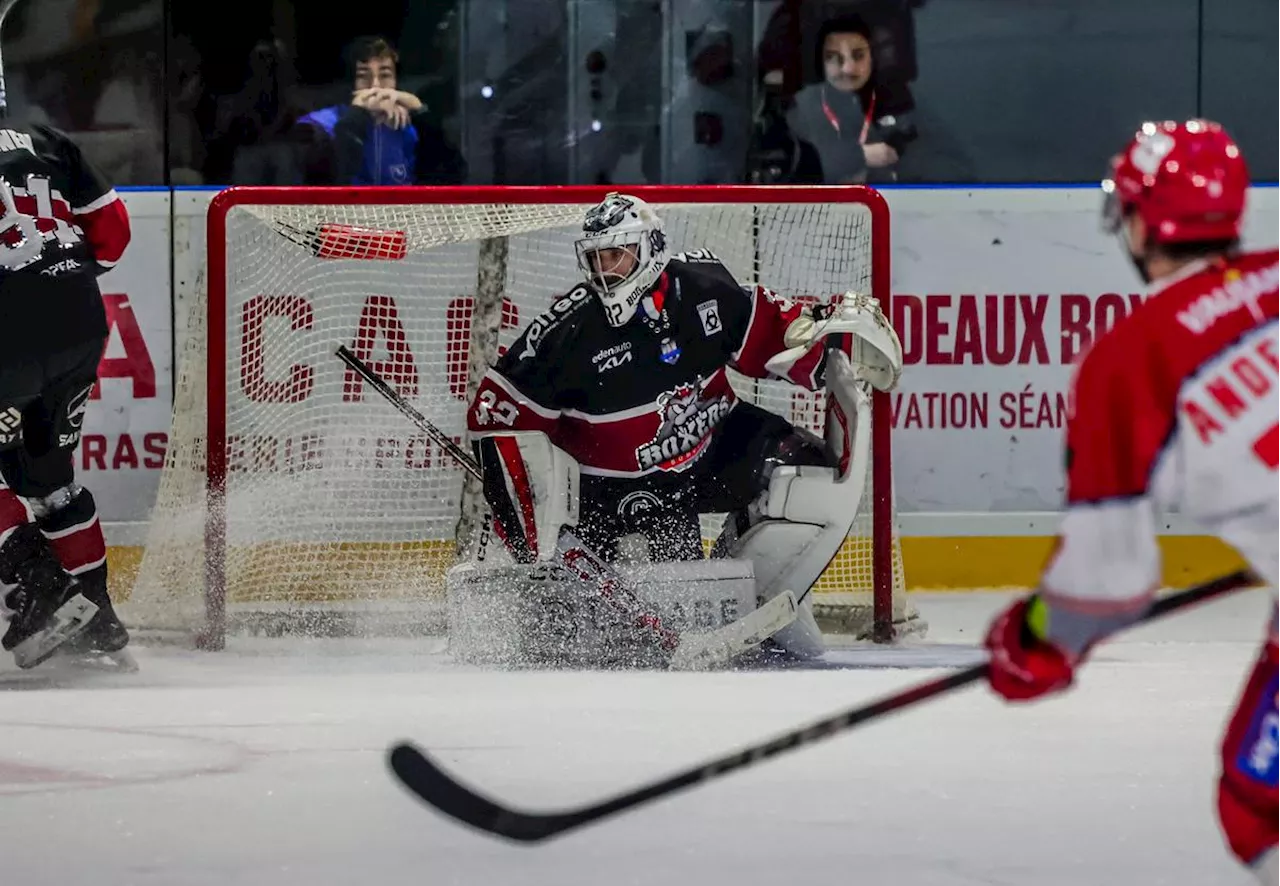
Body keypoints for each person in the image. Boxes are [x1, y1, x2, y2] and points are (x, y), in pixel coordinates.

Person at [979, 119, 1280, 881]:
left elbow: (1104, 585)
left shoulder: (1128, 358)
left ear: (1144, 222)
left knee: (1258, 805)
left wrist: (1037, 642)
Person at [464, 192, 902, 659]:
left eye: (615, 255)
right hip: (623, 486)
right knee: (648, 604)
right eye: (594, 259)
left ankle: (761, 595)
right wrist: (532, 519)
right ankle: (678, 611)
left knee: (808, 471)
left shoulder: (701, 286)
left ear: (650, 247)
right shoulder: (568, 332)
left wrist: (831, 341)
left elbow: (777, 332)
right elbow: (493, 416)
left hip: (714, 443)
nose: (603, 271)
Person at [0, 119, 132, 668]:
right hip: (80, 317)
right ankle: (96, 614)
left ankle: (41, 585)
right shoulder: (46, 135)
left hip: (10, 327)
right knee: (49, 478)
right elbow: (114, 235)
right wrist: (58, 279)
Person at [295, 35, 465, 186]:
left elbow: (454, 176)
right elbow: (325, 179)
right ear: (351, 82)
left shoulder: (408, 126)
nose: (375, 86)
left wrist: (419, 110)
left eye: (384, 76)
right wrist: (357, 115)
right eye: (363, 76)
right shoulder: (323, 123)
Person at [784, 14, 916, 184]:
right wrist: (859, 157)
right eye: (833, 57)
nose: (847, 68)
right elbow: (796, 169)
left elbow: (936, 163)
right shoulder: (800, 107)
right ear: (820, 63)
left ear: (872, 59)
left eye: (858, 56)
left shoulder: (898, 102)